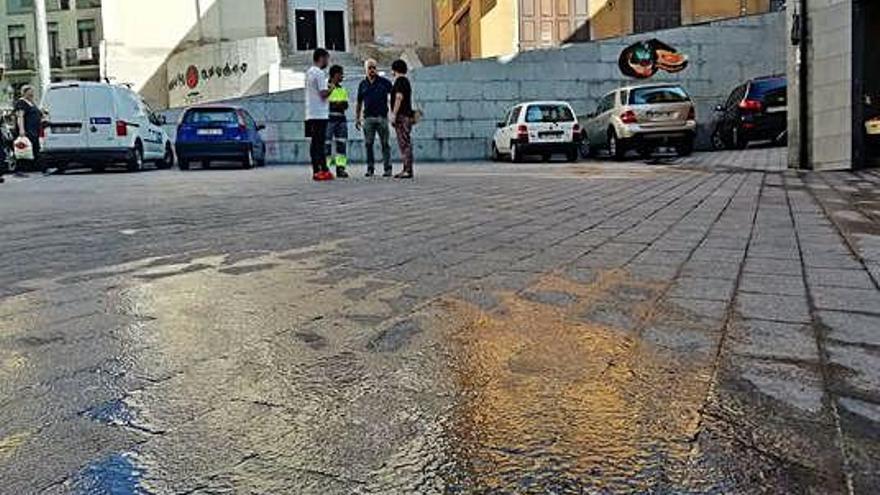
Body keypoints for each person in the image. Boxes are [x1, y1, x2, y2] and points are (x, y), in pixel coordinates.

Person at [355, 59, 393, 177]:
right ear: (365, 70)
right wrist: (357, 118)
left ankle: (387, 169)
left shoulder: (384, 82)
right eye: (370, 68)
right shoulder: (362, 84)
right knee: (368, 144)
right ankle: (370, 169)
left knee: (385, 144)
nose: (372, 70)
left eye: (374, 67)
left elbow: (394, 96)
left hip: (382, 117)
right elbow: (359, 102)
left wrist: (393, 113)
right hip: (368, 119)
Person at [305, 48, 333, 181]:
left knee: (314, 142)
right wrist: (332, 88)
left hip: (311, 113)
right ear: (321, 58)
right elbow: (323, 93)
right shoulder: (319, 73)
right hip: (320, 114)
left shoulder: (309, 72)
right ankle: (322, 169)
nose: (328, 61)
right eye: (327, 58)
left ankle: (316, 169)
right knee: (320, 143)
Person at [389, 59, 415, 179]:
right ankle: (406, 168)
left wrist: (393, 114)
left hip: (402, 116)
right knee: (405, 142)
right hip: (406, 115)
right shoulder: (405, 81)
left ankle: (407, 170)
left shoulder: (400, 81)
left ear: (395, 69)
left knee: (404, 143)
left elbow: (399, 97)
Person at [325, 65, 350, 179]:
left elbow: (345, 105)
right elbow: (329, 104)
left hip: (341, 121)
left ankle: (341, 169)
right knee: (327, 145)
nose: (342, 76)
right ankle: (326, 169)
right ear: (335, 74)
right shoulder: (326, 87)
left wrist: (337, 103)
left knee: (341, 145)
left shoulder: (342, 89)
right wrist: (338, 103)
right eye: (341, 74)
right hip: (329, 121)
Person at [14, 85, 43, 173]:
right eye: (30, 92)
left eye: (32, 92)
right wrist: (21, 130)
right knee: (26, 148)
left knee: (34, 147)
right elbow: (20, 116)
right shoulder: (21, 103)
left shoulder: (31, 103)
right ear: (24, 93)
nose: (32, 94)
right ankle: (25, 167)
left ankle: (35, 166)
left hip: (35, 130)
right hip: (28, 130)